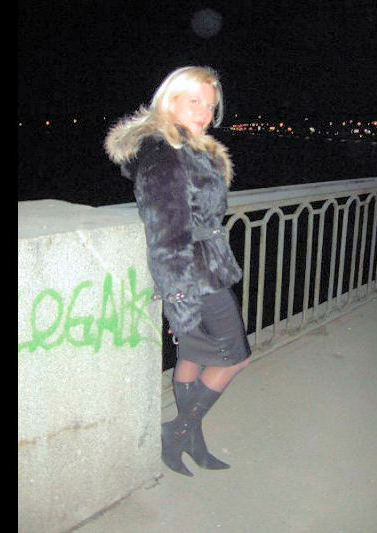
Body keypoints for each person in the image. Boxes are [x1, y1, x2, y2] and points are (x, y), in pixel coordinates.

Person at [104, 66, 251, 477]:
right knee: (234, 358)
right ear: (170, 101)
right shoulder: (165, 152)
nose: (205, 113)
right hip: (193, 275)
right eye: (195, 102)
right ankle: (177, 431)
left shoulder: (187, 148)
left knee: (191, 354)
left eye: (211, 105)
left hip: (203, 267)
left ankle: (191, 440)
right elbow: (165, 232)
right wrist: (179, 299)